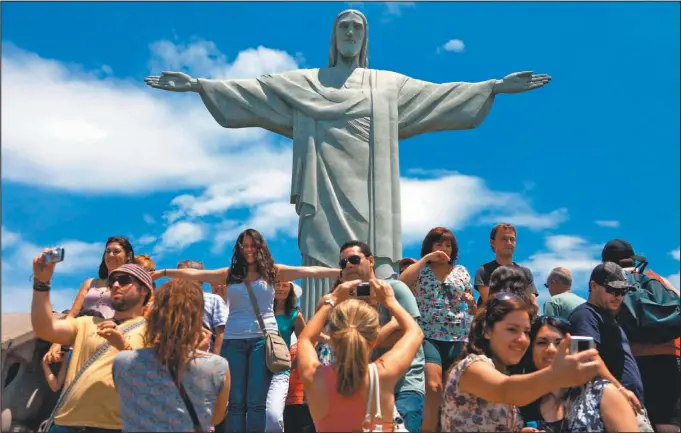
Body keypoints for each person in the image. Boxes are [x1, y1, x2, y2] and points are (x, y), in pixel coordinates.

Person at [145, 8, 551, 317]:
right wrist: (200, 85)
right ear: (334, 37)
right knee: (323, 262)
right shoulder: (307, 82)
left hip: (372, 191)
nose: (351, 33)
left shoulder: (386, 85)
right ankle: (321, 335)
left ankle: (377, 332)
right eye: (344, 27)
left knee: (371, 258)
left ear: (366, 37)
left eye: (358, 28)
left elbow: (439, 96)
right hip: (322, 186)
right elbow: (255, 92)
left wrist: (493, 87)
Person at [152, 228, 340, 432]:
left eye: (253, 245)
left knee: (256, 402)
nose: (249, 249)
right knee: (235, 402)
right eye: (245, 246)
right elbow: (197, 274)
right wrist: (164, 272)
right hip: (233, 341)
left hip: (262, 340)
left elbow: (310, 271)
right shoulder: (230, 275)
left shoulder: (273, 272)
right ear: (239, 249)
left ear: (261, 247)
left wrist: (341, 273)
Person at [440, 292, 601, 432]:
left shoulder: (503, 374)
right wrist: (556, 375)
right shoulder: (472, 367)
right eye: (512, 329)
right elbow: (506, 390)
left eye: (526, 332)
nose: (522, 339)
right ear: (487, 330)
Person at [31, 255, 151, 433]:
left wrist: (123, 347)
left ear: (144, 291)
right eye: (113, 282)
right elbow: (45, 328)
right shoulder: (87, 322)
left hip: (116, 427)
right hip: (66, 423)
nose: (116, 285)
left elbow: (152, 377)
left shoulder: (154, 330)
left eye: (124, 280)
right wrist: (41, 283)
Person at [296, 279, 424, 432]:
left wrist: (332, 300)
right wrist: (390, 301)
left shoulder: (314, 377)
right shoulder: (383, 373)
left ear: (331, 335)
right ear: (375, 339)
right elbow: (415, 333)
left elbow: (305, 338)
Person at [113, 278, 230, 432]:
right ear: (197, 317)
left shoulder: (123, 361)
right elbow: (216, 418)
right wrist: (197, 352)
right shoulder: (217, 366)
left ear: (154, 314)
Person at [337, 240, 426, 432]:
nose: (349, 265)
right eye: (343, 263)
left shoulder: (394, 288)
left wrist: (363, 341)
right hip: (366, 389)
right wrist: (390, 327)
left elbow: (408, 334)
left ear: (371, 260)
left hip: (405, 385)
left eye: (354, 259)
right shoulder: (346, 301)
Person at [398, 227, 476, 432]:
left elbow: (472, 306)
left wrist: (470, 303)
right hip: (428, 334)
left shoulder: (462, 271)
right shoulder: (421, 270)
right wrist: (425, 260)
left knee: (453, 389)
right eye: (439, 244)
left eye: (448, 245)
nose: (444, 248)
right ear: (429, 247)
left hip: (458, 335)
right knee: (433, 386)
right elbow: (401, 284)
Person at [602, 239, 681, 432]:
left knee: (634, 421)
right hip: (671, 359)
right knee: (668, 422)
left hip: (634, 361)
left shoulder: (612, 284)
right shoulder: (658, 280)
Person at [518, 316, 639, 432]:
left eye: (559, 343)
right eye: (541, 342)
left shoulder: (602, 394)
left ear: (573, 348)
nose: (551, 349)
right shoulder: (522, 400)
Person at [45, 236, 136, 363]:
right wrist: (57, 342)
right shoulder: (90, 283)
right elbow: (72, 314)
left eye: (116, 251)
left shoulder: (132, 285)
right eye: (107, 251)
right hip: (79, 340)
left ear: (128, 256)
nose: (111, 255)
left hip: (107, 343)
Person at [568, 262, 645, 406]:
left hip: (626, 403)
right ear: (593, 286)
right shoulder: (584, 315)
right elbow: (584, 360)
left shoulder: (608, 318)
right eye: (612, 290)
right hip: (610, 406)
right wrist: (621, 389)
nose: (618, 296)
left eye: (623, 292)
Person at [265, 281, 306, 432]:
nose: (280, 288)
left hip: (280, 370)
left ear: (290, 291)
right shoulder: (262, 311)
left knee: (274, 415)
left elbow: (305, 341)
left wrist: (293, 364)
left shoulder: (295, 315)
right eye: (277, 285)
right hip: (257, 367)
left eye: (284, 285)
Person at [474, 224, 538, 306]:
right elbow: (489, 302)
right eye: (504, 239)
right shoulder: (484, 270)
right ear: (492, 242)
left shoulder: (525, 272)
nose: (509, 243)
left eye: (512, 239)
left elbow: (533, 303)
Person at [176, 260, 229, 355]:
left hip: (206, 358)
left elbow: (221, 332)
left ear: (198, 276)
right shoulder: (172, 301)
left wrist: (216, 358)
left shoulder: (213, 300)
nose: (177, 279)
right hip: (178, 359)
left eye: (182, 274)